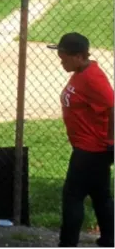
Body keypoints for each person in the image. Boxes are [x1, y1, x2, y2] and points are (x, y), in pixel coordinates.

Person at [48, 32, 114, 248]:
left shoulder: (93, 77)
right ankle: (109, 239)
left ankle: (67, 244)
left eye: (64, 57)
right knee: (100, 195)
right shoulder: (81, 72)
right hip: (90, 148)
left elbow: (113, 106)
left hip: (91, 149)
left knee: (72, 197)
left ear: (79, 56)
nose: (61, 61)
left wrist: (112, 141)